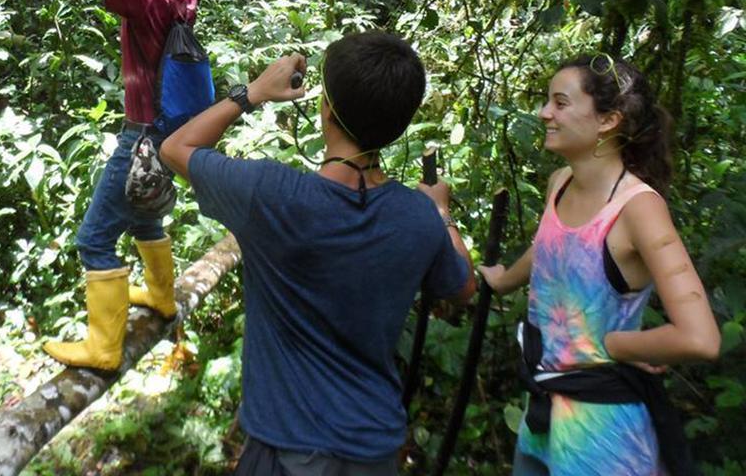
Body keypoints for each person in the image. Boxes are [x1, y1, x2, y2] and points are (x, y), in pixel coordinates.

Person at [160, 31, 477, 473]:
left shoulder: (272, 195)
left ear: (326, 109)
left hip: (285, 449)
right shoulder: (416, 216)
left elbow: (176, 147)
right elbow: (463, 287)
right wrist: (441, 212)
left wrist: (252, 92)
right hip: (375, 448)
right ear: (399, 124)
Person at [478, 54, 721, 476]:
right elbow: (554, 251)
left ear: (607, 120)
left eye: (559, 102)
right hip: (543, 416)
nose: (544, 113)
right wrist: (503, 280)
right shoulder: (561, 182)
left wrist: (620, 345)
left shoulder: (638, 208)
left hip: (603, 437)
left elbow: (700, 338)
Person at [41, 0, 200, 370]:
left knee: (93, 239)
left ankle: (104, 348)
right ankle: (161, 297)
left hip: (144, 133)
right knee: (146, 215)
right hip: (174, 130)